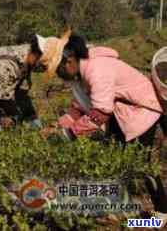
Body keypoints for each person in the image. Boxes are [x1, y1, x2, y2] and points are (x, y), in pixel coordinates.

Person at [44, 34, 167, 217]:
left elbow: (100, 114)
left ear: (69, 61)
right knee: (117, 160)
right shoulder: (79, 75)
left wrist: (69, 134)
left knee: (141, 164)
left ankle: (161, 213)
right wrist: (58, 126)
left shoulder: (97, 69)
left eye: (58, 69)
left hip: (141, 113)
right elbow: (79, 107)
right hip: (121, 115)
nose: (58, 75)